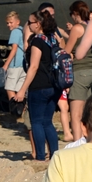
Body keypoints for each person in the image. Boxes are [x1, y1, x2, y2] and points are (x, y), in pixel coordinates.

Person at [15, 11, 62, 162]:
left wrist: (22, 89)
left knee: (36, 122)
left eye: (30, 22)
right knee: (47, 122)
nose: (28, 25)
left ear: (39, 24)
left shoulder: (37, 41)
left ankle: (40, 156)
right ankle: (55, 155)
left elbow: (34, 66)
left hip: (39, 85)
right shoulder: (53, 39)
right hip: (54, 85)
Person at [62, 1, 92, 142]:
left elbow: (67, 51)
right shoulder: (91, 26)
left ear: (76, 13)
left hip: (80, 70)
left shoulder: (77, 28)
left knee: (76, 114)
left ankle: (77, 144)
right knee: (87, 112)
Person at [3, 12, 26, 103]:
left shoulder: (15, 32)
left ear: (17, 22)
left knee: (9, 88)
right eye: (7, 23)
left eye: (11, 22)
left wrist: (6, 65)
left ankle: (14, 108)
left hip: (15, 65)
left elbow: (14, 49)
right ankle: (20, 108)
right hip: (23, 65)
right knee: (19, 90)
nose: (9, 25)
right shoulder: (23, 30)